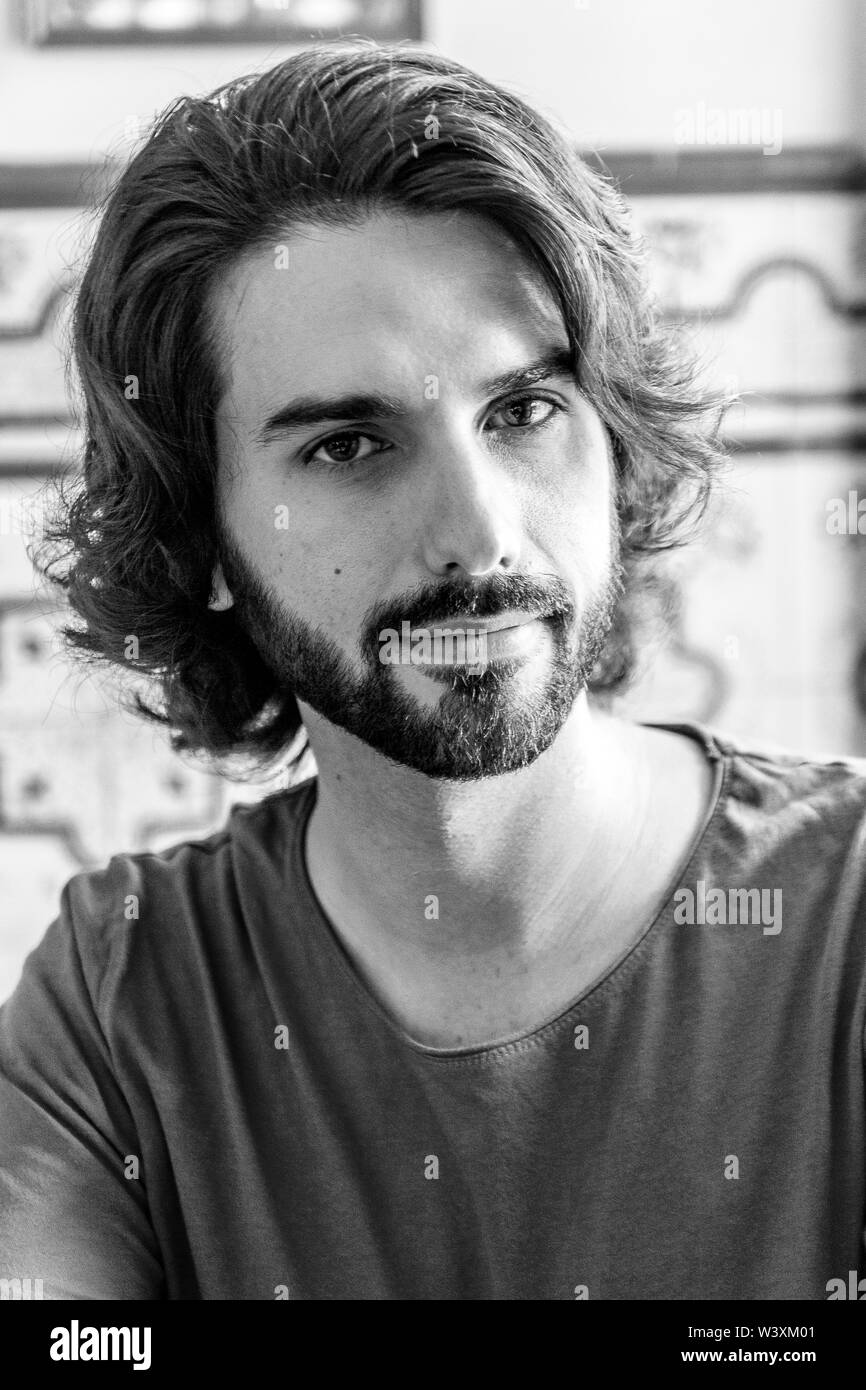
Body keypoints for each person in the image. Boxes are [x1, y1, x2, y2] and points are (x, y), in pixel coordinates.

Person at [1, 41, 864, 1302]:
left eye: (523, 412)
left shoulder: (842, 916)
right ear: (205, 541)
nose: (481, 531)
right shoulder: (121, 996)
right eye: (350, 445)